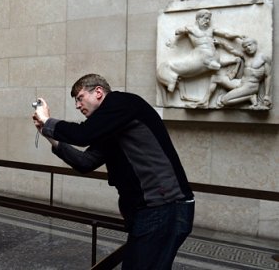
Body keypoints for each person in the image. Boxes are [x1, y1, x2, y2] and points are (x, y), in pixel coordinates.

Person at [32, 74, 194, 269]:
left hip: (165, 207)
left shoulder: (121, 102)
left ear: (98, 92)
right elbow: (86, 162)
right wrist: (48, 134)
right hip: (150, 212)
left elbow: (83, 134)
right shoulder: (112, 127)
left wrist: (48, 121)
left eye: (80, 98)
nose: (77, 105)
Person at [216, 37, 272, 109]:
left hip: (251, 86)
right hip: (241, 83)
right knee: (217, 78)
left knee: (224, 100)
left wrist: (267, 95)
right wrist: (221, 42)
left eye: (249, 45)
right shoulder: (246, 56)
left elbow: (268, 76)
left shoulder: (264, 57)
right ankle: (250, 97)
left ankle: (250, 97)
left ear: (255, 44)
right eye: (245, 47)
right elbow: (232, 50)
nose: (248, 48)